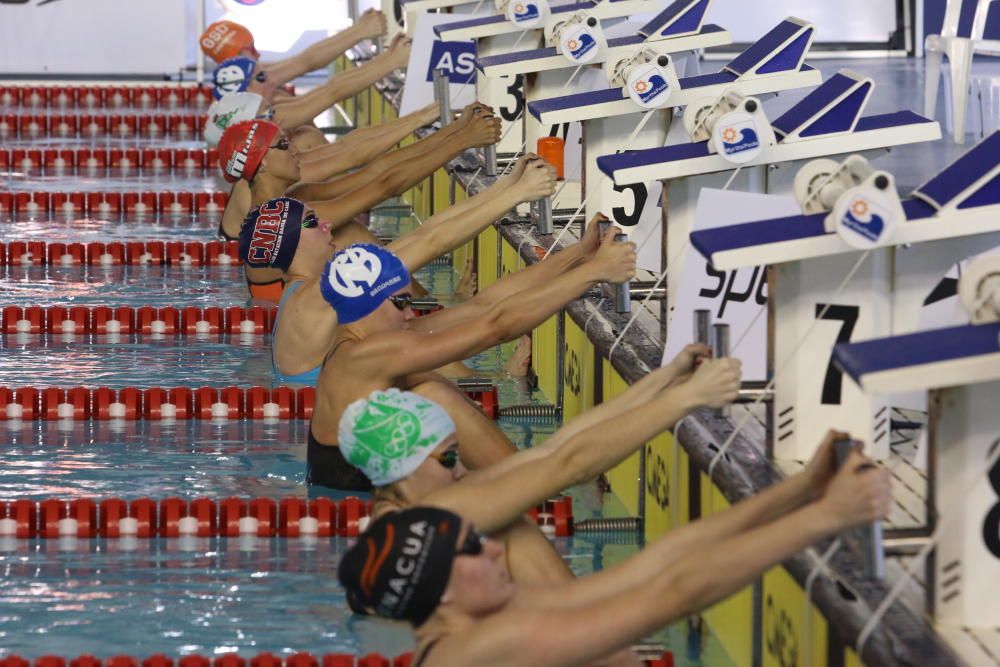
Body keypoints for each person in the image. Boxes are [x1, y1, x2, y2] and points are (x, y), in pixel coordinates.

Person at [338, 431, 892, 667]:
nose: (497, 553)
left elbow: (658, 564)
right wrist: (827, 517)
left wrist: (800, 490)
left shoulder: (480, 626)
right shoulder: (480, 652)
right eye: (472, 552)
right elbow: (673, 595)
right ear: (440, 593)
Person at [336, 346, 741, 585]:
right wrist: (684, 401)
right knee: (513, 530)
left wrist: (667, 379)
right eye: (448, 458)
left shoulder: (432, 506)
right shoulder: (430, 522)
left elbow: (556, 450)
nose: (461, 469)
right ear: (401, 468)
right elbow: (571, 464)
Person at [308, 216, 637, 490]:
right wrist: (594, 274)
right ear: (367, 304)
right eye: (401, 302)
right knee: (436, 396)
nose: (410, 313)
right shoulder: (368, 354)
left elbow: (484, 305)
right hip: (357, 496)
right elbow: (495, 327)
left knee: (434, 392)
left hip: (364, 486)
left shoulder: (366, 342)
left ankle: (541, 476)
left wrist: (581, 255)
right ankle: (539, 486)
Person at [239, 155, 556, 383]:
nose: (324, 224)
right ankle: (499, 383)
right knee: (402, 337)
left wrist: (506, 188)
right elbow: (430, 242)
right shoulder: (314, 300)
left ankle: (492, 380)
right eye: (310, 222)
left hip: (341, 421)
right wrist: (519, 194)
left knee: (409, 331)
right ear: (291, 244)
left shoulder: (310, 292)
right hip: (342, 447)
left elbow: (424, 234)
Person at [219, 105, 500, 301]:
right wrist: (463, 140)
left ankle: (429, 307)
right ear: (262, 163)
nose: (294, 149)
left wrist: (456, 132)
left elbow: (376, 172)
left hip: (326, 318)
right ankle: (429, 312)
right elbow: (384, 186)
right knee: (349, 237)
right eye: (283, 145)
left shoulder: (297, 197)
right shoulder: (281, 222)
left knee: (348, 234)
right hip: (307, 345)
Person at [200, 12, 387, 95]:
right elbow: (307, 64)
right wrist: (361, 32)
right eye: (252, 48)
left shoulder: (235, 80)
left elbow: (301, 60)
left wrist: (357, 30)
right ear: (238, 55)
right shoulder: (257, 85)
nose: (258, 55)